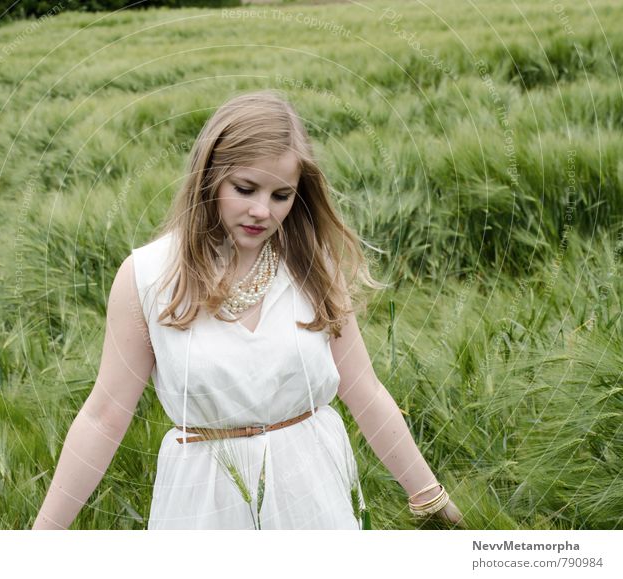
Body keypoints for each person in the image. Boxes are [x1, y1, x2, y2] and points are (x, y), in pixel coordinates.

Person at [32, 89, 464, 530]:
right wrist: (39, 542)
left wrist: (430, 499)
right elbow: (103, 415)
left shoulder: (315, 268)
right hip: (202, 508)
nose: (262, 210)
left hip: (313, 495)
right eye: (245, 188)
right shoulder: (146, 276)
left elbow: (365, 392)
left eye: (282, 195)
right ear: (210, 177)